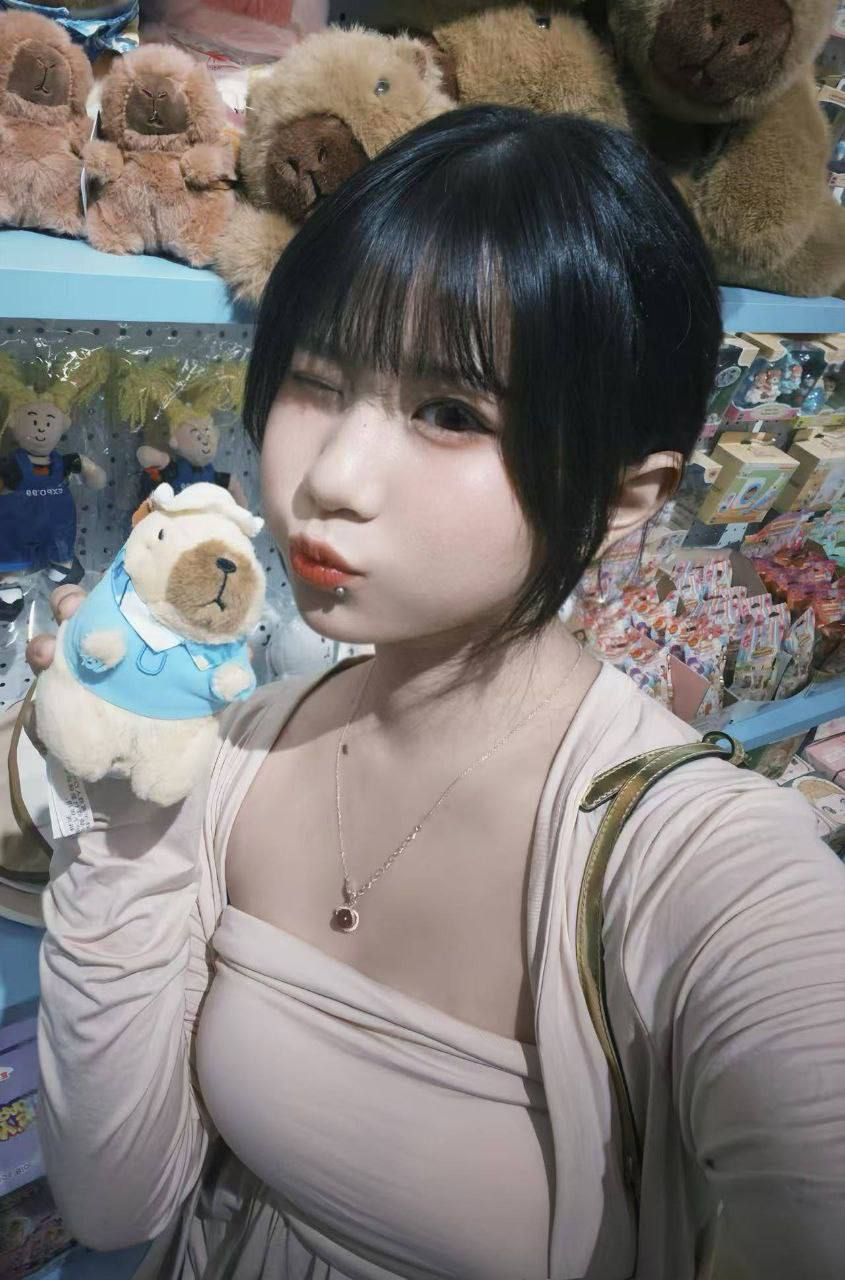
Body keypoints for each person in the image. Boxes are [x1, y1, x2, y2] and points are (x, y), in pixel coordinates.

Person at [29, 107, 845, 1280]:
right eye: (317, 379)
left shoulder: (703, 869)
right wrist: (115, 805)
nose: (332, 477)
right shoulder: (243, 748)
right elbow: (115, 1197)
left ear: (623, 498)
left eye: (451, 414)